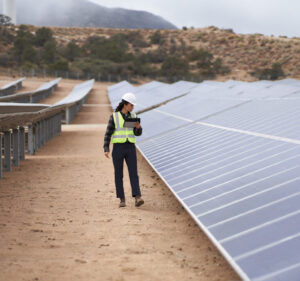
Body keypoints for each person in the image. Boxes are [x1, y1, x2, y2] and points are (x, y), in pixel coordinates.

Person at [104, 92, 144, 208]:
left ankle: (137, 197)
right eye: (131, 105)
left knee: (133, 173)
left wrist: (139, 128)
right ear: (125, 105)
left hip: (130, 147)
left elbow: (138, 133)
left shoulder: (133, 117)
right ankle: (122, 199)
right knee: (118, 174)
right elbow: (108, 133)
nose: (133, 107)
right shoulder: (114, 116)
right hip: (118, 148)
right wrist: (106, 148)